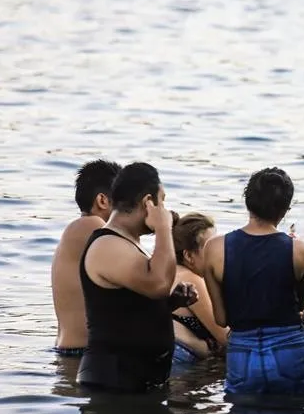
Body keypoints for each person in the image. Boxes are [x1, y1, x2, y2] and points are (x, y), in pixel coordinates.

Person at [76, 162, 197, 393]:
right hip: (113, 385)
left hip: (134, 382)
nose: (165, 209)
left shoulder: (128, 242)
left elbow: (127, 307)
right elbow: (159, 284)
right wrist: (163, 228)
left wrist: (170, 303)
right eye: (161, 201)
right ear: (147, 203)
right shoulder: (108, 244)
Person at [203, 167, 304, 395]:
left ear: (247, 202)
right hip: (290, 351)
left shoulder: (214, 249)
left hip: (243, 354)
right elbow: (303, 306)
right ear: (285, 210)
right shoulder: (301, 251)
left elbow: (221, 318)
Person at [51, 159, 122, 356]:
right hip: (81, 352)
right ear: (102, 200)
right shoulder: (92, 226)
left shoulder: (78, 230)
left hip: (75, 351)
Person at [171, 212, 230, 365]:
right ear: (189, 256)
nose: (218, 252)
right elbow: (227, 339)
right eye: (209, 247)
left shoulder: (170, 271)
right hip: (178, 367)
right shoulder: (191, 280)